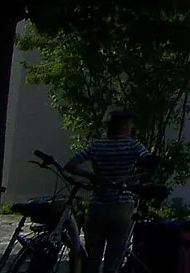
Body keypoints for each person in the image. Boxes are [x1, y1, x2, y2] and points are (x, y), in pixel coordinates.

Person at [65, 108, 152, 273]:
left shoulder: (96, 145)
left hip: (98, 205)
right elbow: (148, 161)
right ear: (125, 125)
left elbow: (70, 165)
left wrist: (90, 176)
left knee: (92, 257)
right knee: (114, 259)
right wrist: (134, 176)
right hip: (122, 206)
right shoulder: (133, 145)